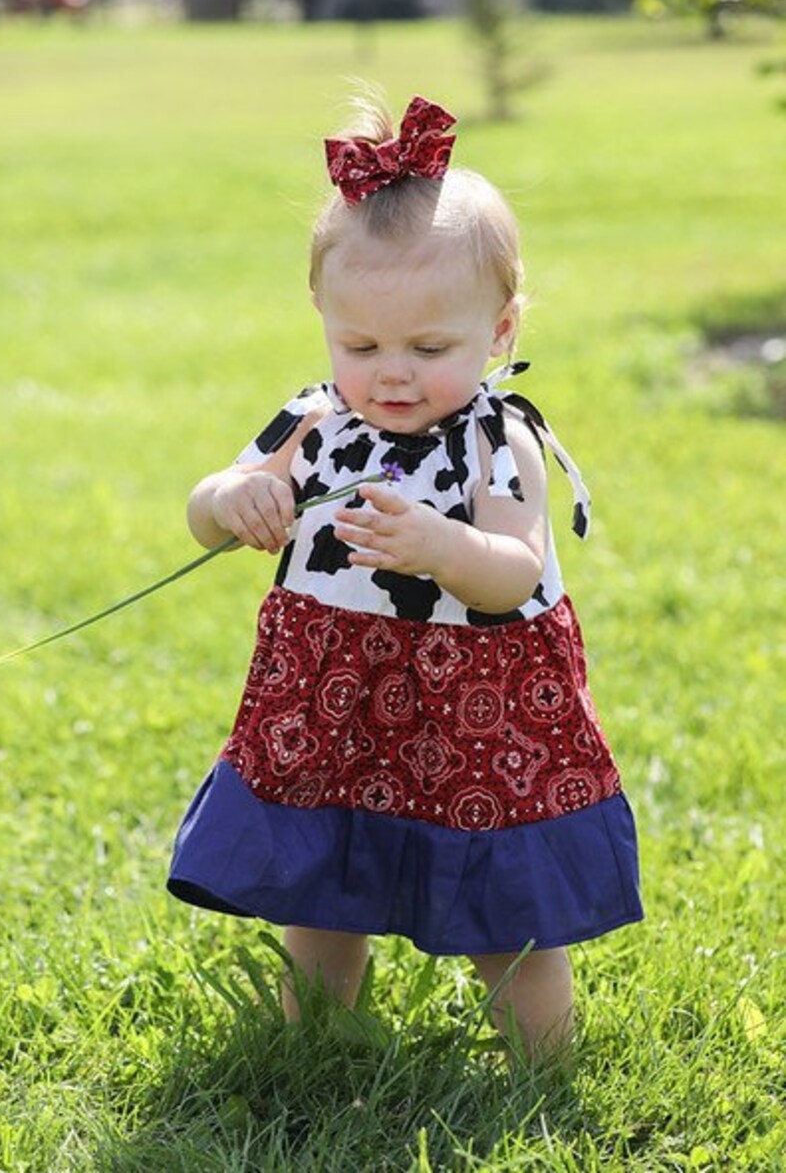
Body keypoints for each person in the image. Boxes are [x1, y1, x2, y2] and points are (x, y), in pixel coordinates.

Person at [167, 92, 643, 1060]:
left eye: (429, 350)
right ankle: (312, 1047)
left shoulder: (493, 440)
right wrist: (228, 501)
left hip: (473, 703)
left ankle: (538, 1069)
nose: (390, 373)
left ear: (499, 328)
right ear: (323, 318)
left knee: (498, 899)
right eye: (360, 346)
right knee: (318, 869)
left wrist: (442, 547)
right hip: (332, 690)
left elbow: (512, 574)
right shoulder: (311, 420)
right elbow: (208, 512)